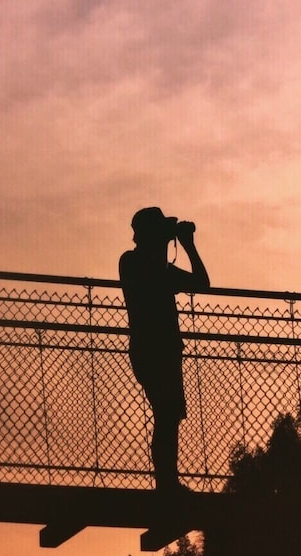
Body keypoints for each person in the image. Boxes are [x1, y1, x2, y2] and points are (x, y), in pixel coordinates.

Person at [119, 207, 210, 494]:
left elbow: (202, 283)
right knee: (165, 414)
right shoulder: (132, 261)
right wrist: (170, 243)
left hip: (166, 350)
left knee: (168, 417)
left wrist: (189, 247)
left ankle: (168, 481)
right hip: (150, 350)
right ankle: (166, 483)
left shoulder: (160, 267)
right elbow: (153, 274)